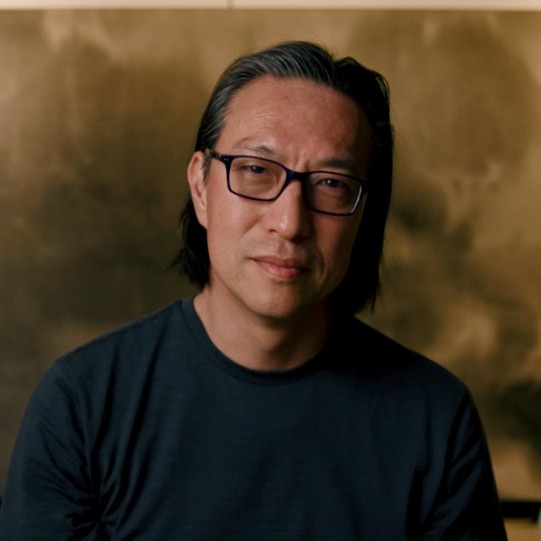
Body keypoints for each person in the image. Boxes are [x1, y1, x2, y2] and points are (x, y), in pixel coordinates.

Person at [0, 40, 507, 540]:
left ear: (363, 216)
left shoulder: (436, 419)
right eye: (256, 171)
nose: (289, 223)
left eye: (331, 183)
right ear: (200, 187)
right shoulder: (82, 404)